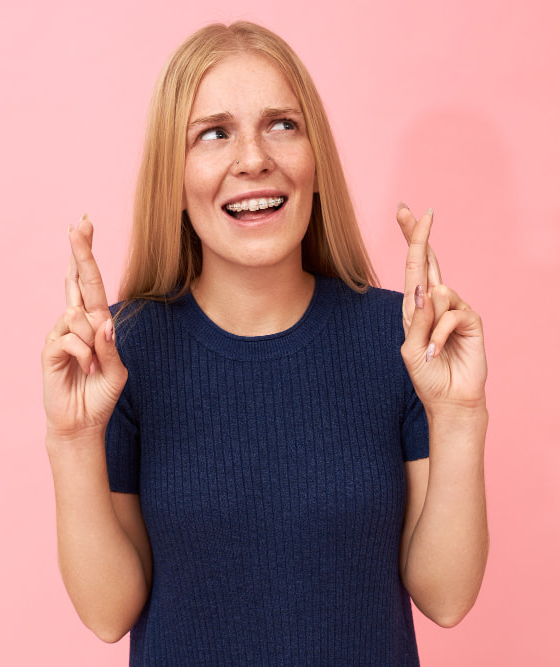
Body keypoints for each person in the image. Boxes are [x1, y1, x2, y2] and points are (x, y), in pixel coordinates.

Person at [41, 21, 488, 666]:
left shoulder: (401, 345)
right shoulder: (120, 354)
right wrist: (72, 440)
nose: (253, 158)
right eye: (213, 134)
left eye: (282, 124)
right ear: (176, 174)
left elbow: (446, 598)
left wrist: (460, 415)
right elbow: (108, 614)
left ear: (315, 163)